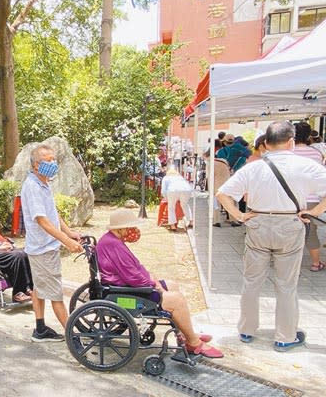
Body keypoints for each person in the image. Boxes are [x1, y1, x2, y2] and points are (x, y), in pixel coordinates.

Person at [216, 121, 326, 352]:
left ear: (265, 143)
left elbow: (223, 194)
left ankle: (247, 329)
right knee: (286, 284)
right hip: (290, 223)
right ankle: (285, 336)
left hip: (258, 223)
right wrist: (314, 211)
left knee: (251, 281)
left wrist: (238, 215)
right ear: (291, 142)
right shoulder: (306, 166)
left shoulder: (254, 167)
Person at [96, 209, 223, 358]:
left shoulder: (112, 240)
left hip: (125, 285)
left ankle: (184, 334)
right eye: (130, 227)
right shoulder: (114, 244)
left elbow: (133, 269)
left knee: (172, 285)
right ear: (121, 228)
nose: (134, 231)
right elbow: (133, 276)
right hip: (125, 292)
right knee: (176, 299)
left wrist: (152, 278)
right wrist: (154, 284)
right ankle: (193, 343)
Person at [21, 144, 83, 342]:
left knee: (40, 288)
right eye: (48, 160)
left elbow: (52, 213)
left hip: (43, 246)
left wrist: (69, 232)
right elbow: (42, 220)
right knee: (56, 294)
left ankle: (40, 329)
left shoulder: (43, 183)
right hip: (42, 248)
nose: (53, 163)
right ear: (37, 165)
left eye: (53, 159)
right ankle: (72, 337)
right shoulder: (32, 186)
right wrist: (66, 241)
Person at [292, 121, 325, 272]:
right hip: (312, 199)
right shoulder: (316, 153)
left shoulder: (288, 153)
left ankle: (288, 264)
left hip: (291, 199)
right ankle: (315, 263)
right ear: (308, 136)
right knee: (311, 232)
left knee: (290, 231)